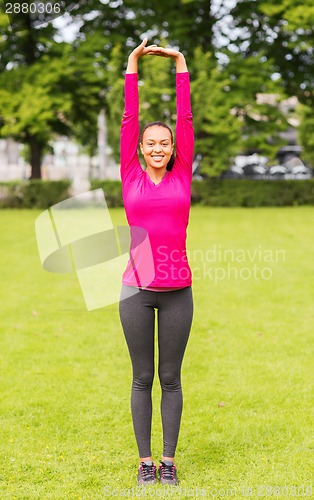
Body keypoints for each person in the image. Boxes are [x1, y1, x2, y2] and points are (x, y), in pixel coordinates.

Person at [118, 38, 194, 486]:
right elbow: (129, 118)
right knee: (142, 377)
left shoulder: (182, 171)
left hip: (178, 294)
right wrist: (132, 65)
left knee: (171, 378)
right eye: (151, 143)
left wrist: (180, 64)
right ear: (142, 148)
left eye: (165, 142)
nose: (159, 147)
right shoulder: (130, 173)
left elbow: (184, 118)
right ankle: (145, 461)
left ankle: (168, 461)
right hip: (135, 292)